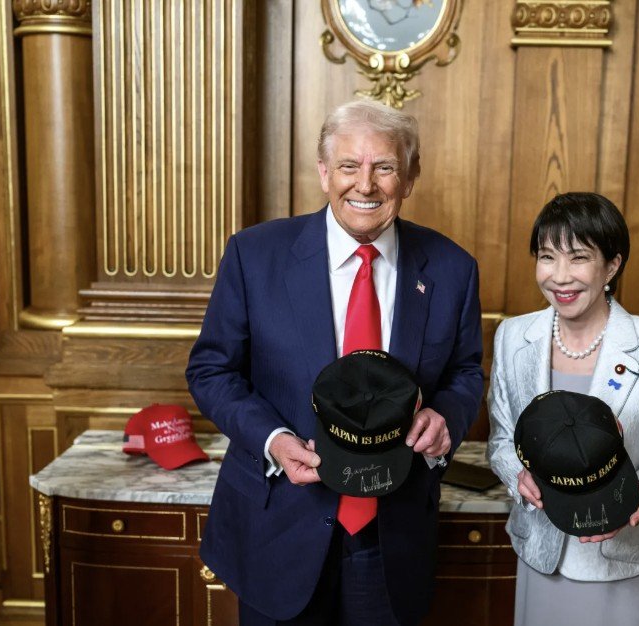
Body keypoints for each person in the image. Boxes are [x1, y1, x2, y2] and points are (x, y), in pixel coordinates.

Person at [186, 99, 484, 626]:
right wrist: (274, 439)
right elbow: (212, 370)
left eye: (384, 167)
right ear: (324, 172)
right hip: (278, 526)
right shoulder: (254, 255)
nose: (364, 185)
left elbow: (464, 374)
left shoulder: (453, 268)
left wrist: (447, 418)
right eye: (349, 166)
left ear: (410, 177)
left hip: (391, 537)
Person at [486, 192, 639, 626]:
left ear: (612, 266)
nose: (560, 276)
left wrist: (637, 494)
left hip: (627, 562)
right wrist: (517, 476)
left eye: (578, 258)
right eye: (547, 256)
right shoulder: (513, 337)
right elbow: (503, 442)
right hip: (543, 552)